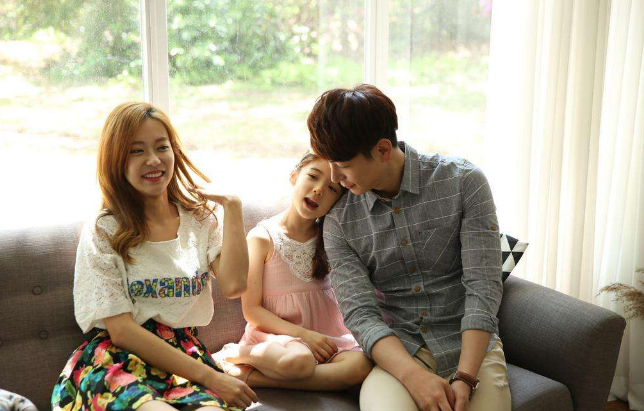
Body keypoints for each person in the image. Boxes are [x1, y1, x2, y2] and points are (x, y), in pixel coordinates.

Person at [308, 84, 512, 411]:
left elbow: (483, 286)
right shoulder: (340, 222)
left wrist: (466, 377)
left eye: (343, 164)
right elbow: (360, 313)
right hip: (399, 354)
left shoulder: (464, 182)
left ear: (383, 150)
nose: (335, 177)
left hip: (471, 350)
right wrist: (414, 377)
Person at [51, 102, 258, 411]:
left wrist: (233, 207)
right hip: (117, 361)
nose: (153, 160)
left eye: (162, 147)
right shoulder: (104, 230)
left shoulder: (199, 220)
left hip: (185, 357)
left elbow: (235, 285)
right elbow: (122, 331)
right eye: (136, 151)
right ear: (116, 160)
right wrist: (212, 377)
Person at [213, 152, 372, 391]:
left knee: (360, 366)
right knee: (299, 361)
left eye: (332, 188)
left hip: (327, 340)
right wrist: (304, 335)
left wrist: (316, 338)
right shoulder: (262, 237)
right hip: (282, 340)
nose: (319, 190)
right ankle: (236, 353)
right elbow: (251, 310)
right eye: (313, 177)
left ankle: (248, 376)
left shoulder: (332, 238)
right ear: (294, 176)